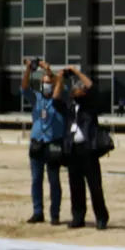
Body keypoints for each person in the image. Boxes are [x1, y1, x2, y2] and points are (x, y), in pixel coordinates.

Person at [57, 66, 111, 230]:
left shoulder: (90, 106)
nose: (78, 91)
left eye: (81, 89)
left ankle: (101, 218)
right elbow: (55, 99)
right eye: (76, 89)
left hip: (88, 149)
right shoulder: (69, 108)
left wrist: (77, 71)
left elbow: (92, 88)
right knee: (75, 186)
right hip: (73, 150)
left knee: (95, 186)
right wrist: (59, 80)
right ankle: (78, 217)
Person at [20, 59, 66, 224]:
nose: (47, 85)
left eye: (49, 83)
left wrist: (49, 70)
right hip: (37, 141)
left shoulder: (59, 98)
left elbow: (60, 84)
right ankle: (37, 211)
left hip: (53, 142)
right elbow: (24, 87)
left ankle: (55, 214)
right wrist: (28, 69)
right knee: (36, 179)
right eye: (44, 83)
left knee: (54, 180)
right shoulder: (37, 99)